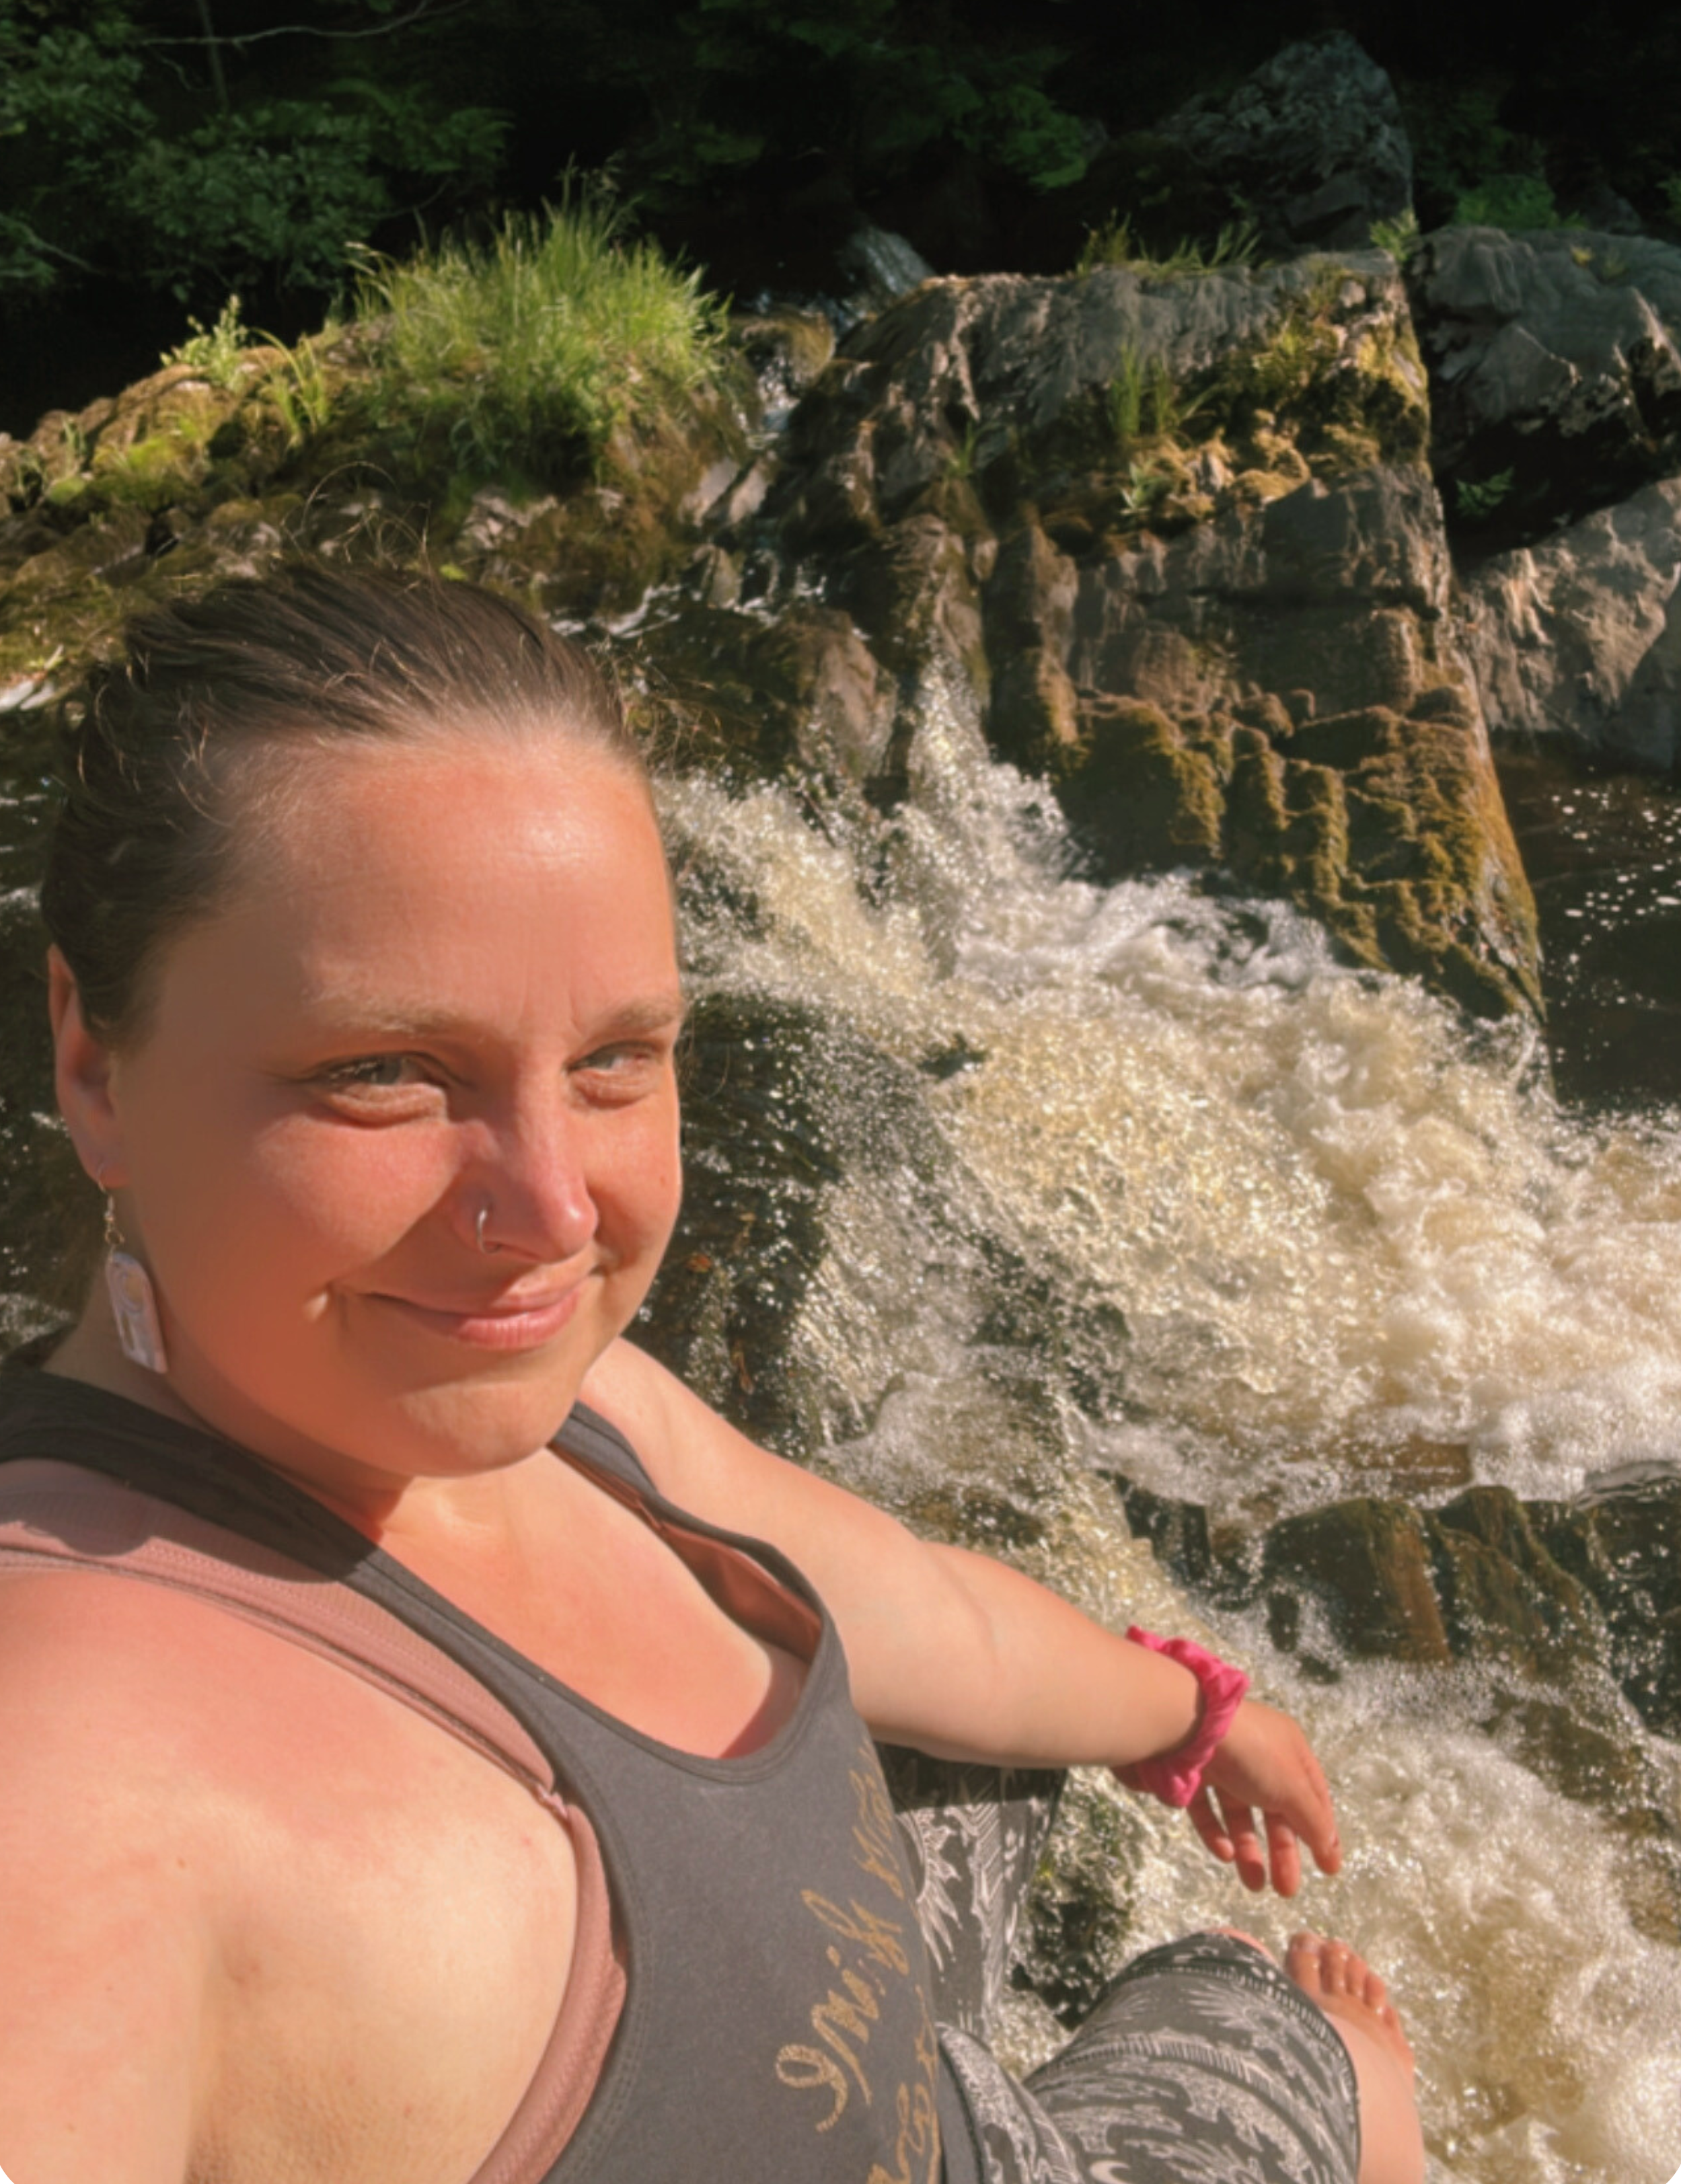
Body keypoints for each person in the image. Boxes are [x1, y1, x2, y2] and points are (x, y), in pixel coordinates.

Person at [0, 564, 1425, 2184]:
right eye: (384, 1071)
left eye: (615, 1058)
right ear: (92, 1067)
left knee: (970, 1751)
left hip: (899, 2065)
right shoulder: (70, 1772)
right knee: (1273, 2022)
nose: (556, 1212)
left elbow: (913, 1608)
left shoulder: (581, 1420)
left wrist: (1188, 1714)